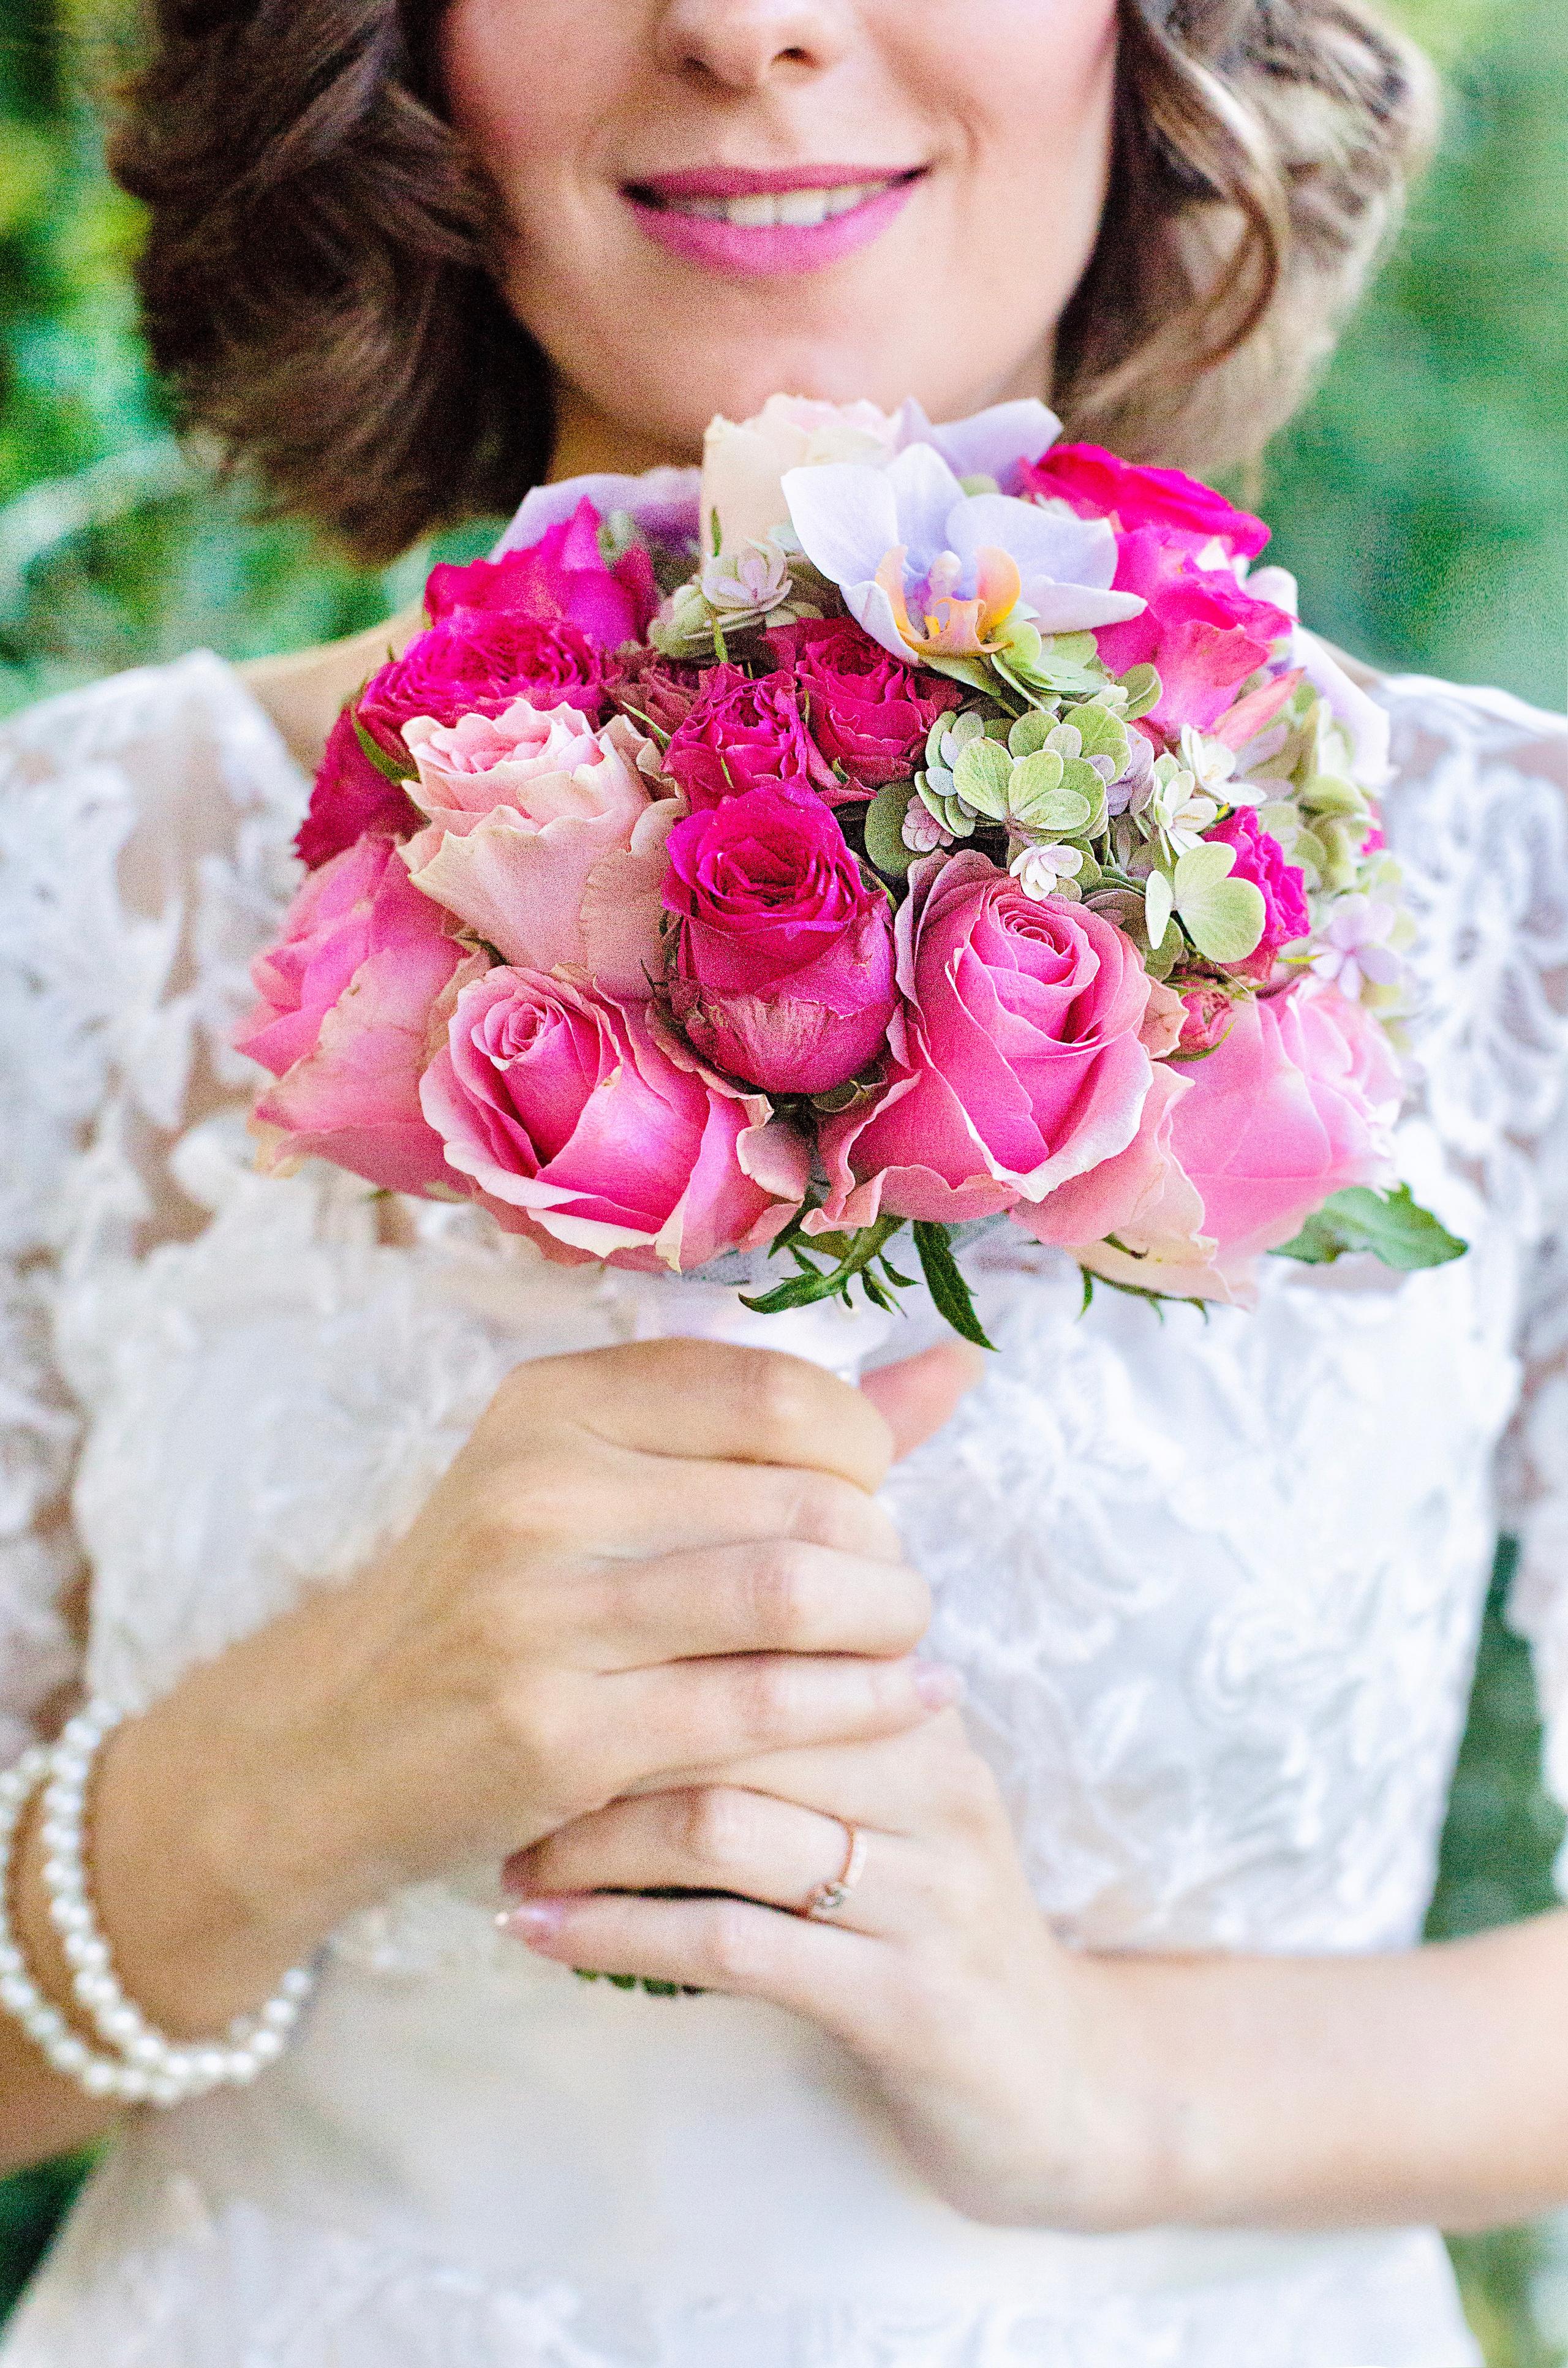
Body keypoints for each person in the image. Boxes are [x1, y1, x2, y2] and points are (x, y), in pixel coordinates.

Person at [1, 0, 1566, 2360]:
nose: (749, 23)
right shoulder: (76, 886)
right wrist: (306, 1761)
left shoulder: (1513, 889)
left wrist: (1113, 2088)